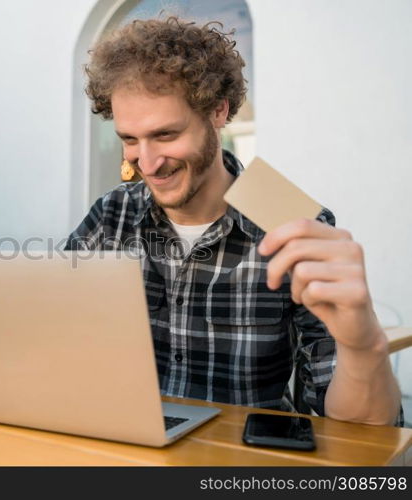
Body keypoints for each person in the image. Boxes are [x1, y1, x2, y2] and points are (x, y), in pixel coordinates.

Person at [65, 17, 402, 425]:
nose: (147, 164)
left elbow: (364, 433)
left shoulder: (292, 223)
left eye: (167, 135)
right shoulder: (111, 216)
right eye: (131, 140)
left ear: (218, 112)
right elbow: (50, 340)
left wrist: (363, 345)